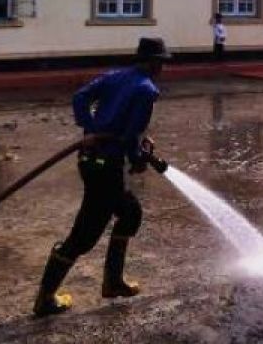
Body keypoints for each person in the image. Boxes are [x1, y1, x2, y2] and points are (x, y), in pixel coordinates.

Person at [33, 38, 169, 318]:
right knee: (82, 237)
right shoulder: (146, 90)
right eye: (162, 62)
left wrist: (91, 129)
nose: (163, 67)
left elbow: (80, 97)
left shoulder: (116, 76)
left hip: (90, 161)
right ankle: (45, 299)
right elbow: (130, 135)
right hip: (106, 167)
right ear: (153, 62)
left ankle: (112, 282)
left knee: (130, 212)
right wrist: (137, 160)